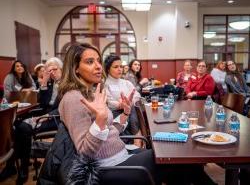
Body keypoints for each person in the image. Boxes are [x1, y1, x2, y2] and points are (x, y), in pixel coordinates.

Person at [38, 43, 217, 185]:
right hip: (111, 167)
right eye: (90, 62)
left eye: (98, 61)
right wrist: (100, 121)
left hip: (123, 155)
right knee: (181, 161)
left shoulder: (90, 93)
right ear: (75, 68)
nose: (98, 66)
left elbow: (108, 132)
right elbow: (85, 153)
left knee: (183, 164)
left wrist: (124, 114)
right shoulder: (72, 99)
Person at [104, 55, 142, 146]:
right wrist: (120, 104)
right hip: (115, 114)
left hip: (129, 112)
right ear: (108, 69)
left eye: (121, 66)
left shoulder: (126, 82)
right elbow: (108, 102)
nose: (120, 69)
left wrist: (128, 102)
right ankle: (138, 137)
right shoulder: (105, 84)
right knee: (131, 110)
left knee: (132, 108)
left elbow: (137, 95)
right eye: (116, 67)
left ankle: (137, 139)